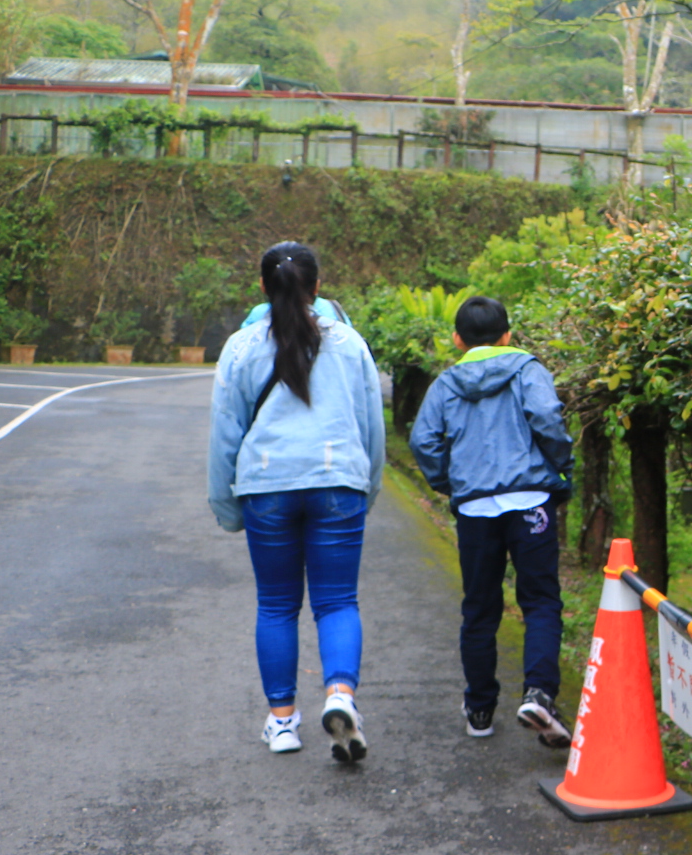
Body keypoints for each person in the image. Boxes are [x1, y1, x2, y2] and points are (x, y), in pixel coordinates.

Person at [208, 242, 385, 762]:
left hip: (266, 488)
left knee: (277, 604)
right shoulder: (350, 343)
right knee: (336, 601)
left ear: (262, 286)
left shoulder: (240, 348)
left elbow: (225, 435)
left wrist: (227, 507)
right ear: (317, 286)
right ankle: (340, 695)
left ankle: (282, 723)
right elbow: (372, 427)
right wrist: (366, 489)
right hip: (338, 485)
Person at [409, 295, 574, 746]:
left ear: (458, 339)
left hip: (476, 508)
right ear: (507, 334)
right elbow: (547, 418)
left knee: (480, 608)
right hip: (530, 501)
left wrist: (451, 482)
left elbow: (423, 440)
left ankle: (480, 709)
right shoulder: (527, 370)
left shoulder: (446, 383)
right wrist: (561, 466)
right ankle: (539, 694)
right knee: (540, 600)